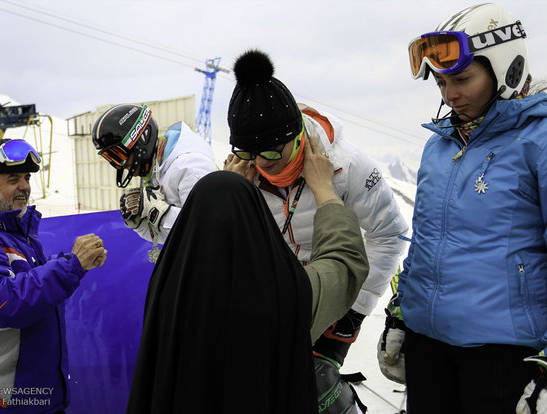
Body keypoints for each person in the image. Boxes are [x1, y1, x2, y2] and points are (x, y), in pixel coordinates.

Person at [381, 3, 547, 413]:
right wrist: (401, 311)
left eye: (462, 79)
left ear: (507, 71)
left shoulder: (546, 141)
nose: (450, 94)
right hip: (429, 343)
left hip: (501, 353)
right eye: (441, 82)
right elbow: (425, 240)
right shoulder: (439, 145)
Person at [126, 132, 369, 414]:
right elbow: (344, 263)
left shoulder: (166, 297)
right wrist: (324, 190)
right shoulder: (282, 299)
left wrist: (218, 188)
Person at [224, 50, 408, 370]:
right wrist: (228, 194)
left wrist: (356, 308)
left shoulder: (348, 166)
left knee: (316, 389)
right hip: (276, 305)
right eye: (247, 151)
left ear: (296, 137)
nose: (261, 163)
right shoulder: (241, 172)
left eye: (270, 151)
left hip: (335, 304)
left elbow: (389, 235)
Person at [0, 138, 107, 413]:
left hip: (34, 399)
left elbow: (25, 280)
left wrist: (73, 262)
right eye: (13, 178)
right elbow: (0, 303)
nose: (25, 186)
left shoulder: (6, 229)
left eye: (27, 178)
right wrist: (71, 267)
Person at [91, 104, 216, 261]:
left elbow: (209, 230)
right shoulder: (156, 169)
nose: (118, 165)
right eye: (110, 158)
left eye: (118, 155)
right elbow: (173, 236)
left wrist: (161, 213)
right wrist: (141, 224)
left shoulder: (190, 166)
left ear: (141, 140)